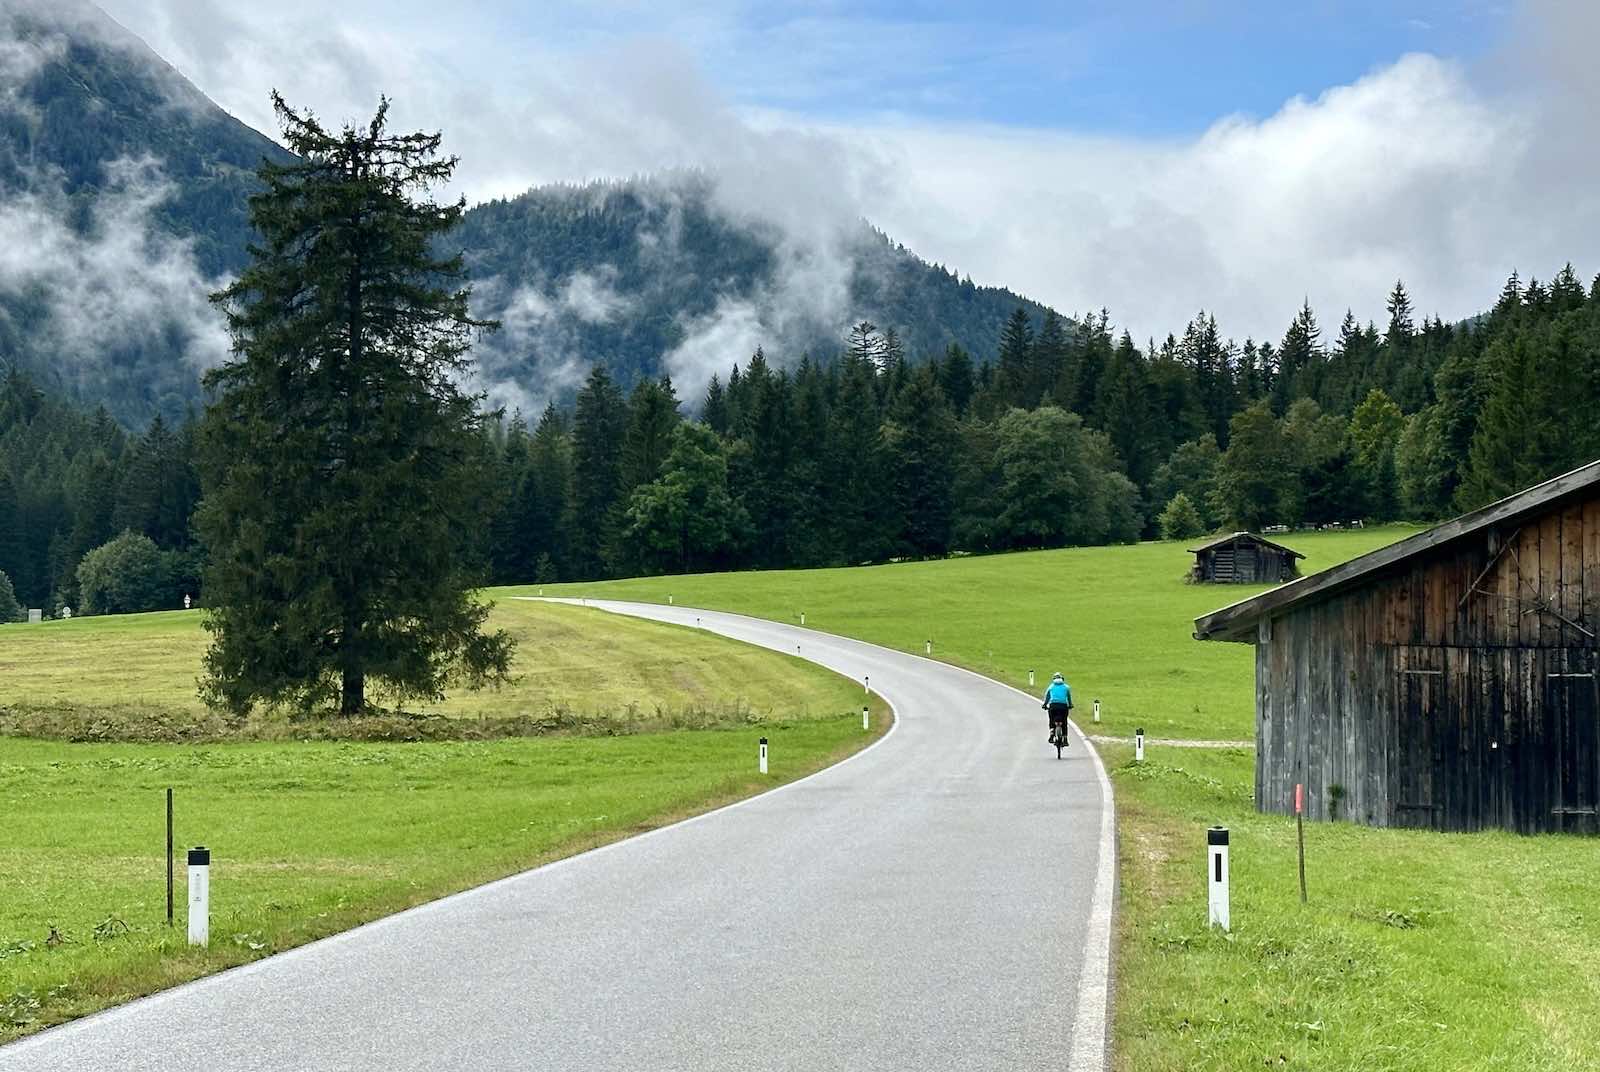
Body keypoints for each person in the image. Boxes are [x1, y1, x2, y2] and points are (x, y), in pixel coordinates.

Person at [1041, 672, 1072, 746]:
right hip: (1063, 706)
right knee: (1064, 721)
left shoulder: (1051, 687)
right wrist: (1070, 705)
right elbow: (1069, 698)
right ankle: (1065, 739)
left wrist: (1045, 705)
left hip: (1053, 706)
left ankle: (1052, 734)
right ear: (1062, 679)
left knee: (1052, 719)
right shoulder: (1066, 687)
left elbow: (1047, 697)